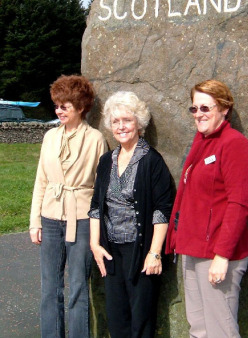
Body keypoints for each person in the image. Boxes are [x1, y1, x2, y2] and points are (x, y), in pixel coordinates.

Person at [166, 79, 248, 338]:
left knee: (221, 331)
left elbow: (239, 205)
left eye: (205, 108)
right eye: (194, 109)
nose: (199, 114)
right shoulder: (202, 142)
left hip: (217, 255)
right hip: (192, 250)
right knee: (198, 328)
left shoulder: (235, 145)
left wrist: (222, 256)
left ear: (224, 108)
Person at [89, 91, 172, 338]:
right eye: (116, 122)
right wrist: (95, 244)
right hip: (111, 253)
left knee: (141, 321)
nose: (121, 126)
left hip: (142, 252)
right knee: (117, 320)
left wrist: (154, 253)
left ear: (139, 123)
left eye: (127, 120)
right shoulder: (106, 161)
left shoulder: (151, 161)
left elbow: (162, 209)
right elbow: (96, 205)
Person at [29, 75, 107, 338]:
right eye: (57, 105)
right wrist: (34, 221)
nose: (59, 110)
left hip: (81, 219)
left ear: (81, 107)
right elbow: (41, 180)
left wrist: (98, 228)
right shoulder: (50, 137)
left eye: (65, 105)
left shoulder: (96, 139)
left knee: (77, 287)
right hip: (50, 217)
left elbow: (101, 188)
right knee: (50, 287)